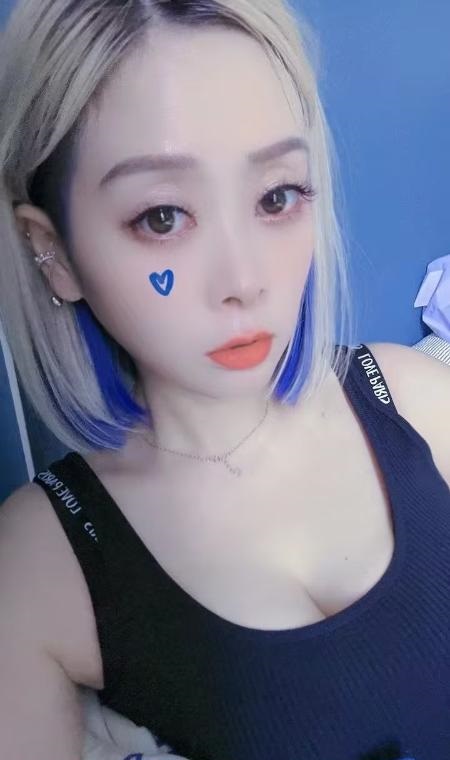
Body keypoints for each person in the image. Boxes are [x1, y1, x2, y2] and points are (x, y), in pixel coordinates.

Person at [0, 1, 449, 759]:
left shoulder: (419, 401)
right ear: (55, 252)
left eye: (277, 197)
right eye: (162, 217)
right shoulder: (36, 566)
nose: (245, 280)